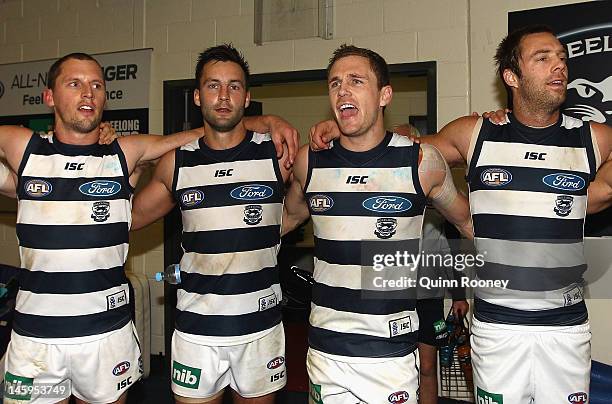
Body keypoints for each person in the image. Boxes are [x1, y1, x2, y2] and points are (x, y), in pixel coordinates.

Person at [310, 25, 612, 402]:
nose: (560, 67)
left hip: (566, 327)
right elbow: (402, 150)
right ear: (511, 76)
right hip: (496, 327)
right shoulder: (476, 133)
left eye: (562, 59)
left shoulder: (593, 138)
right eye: (544, 58)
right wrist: (343, 128)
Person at [0, 52, 297, 404]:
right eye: (74, 84)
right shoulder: (25, 148)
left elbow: (200, 135)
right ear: (49, 96)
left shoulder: (124, 153)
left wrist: (263, 122)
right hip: (36, 338)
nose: (87, 94)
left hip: (105, 335)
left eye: (96, 85)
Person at [282, 44, 473, 404]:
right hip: (326, 349)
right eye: (335, 82)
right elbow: (285, 219)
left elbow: (467, 223)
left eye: (356, 81)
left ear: (385, 95)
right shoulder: (310, 162)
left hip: (391, 351)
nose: (343, 90)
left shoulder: (421, 161)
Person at [130, 44, 291, 404]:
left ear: (247, 97)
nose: (223, 95)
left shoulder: (277, 155)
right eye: (213, 85)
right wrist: (129, 164)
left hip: (260, 329)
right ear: (197, 96)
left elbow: (329, 174)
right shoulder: (177, 164)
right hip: (196, 331)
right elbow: (127, 219)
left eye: (234, 86)